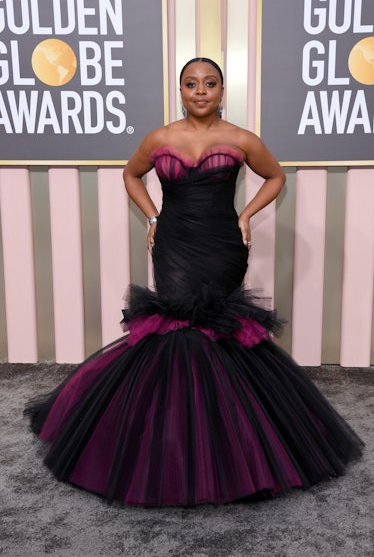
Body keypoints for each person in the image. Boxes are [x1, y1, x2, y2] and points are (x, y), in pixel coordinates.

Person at [25, 57, 364, 506]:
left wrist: (245, 214)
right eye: (191, 83)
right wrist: (152, 216)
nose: (200, 91)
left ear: (222, 91)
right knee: (176, 327)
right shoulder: (160, 137)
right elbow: (131, 174)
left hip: (222, 244)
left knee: (217, 330)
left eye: (209, 83)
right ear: (180, 90)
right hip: (174, 243)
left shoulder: (241, 139)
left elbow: (276, 176)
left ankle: (225, 443)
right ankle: (172, 438)